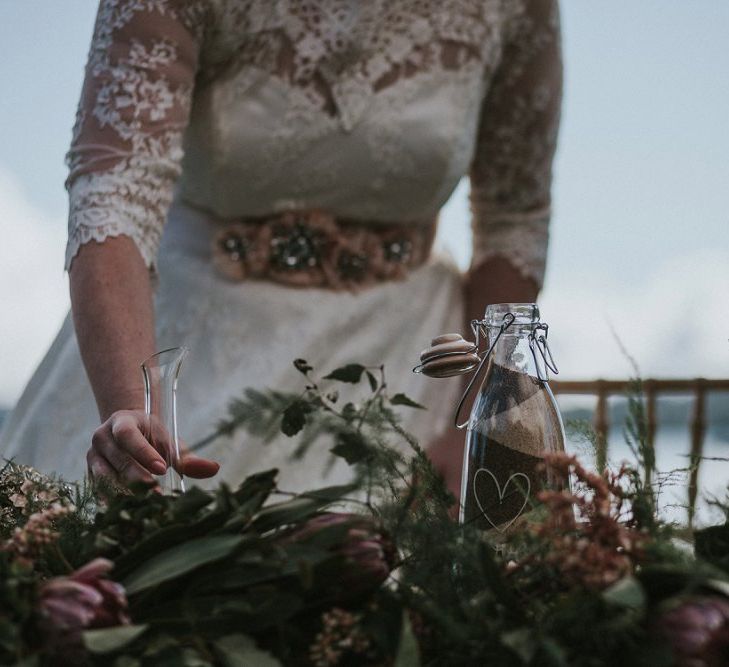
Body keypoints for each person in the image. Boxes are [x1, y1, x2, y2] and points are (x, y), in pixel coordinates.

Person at [0, 0, 562, 498]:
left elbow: (515, 215)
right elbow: (114, 192)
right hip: (176, 350)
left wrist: (480, 426)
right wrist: (131, 409)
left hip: (416, 376)